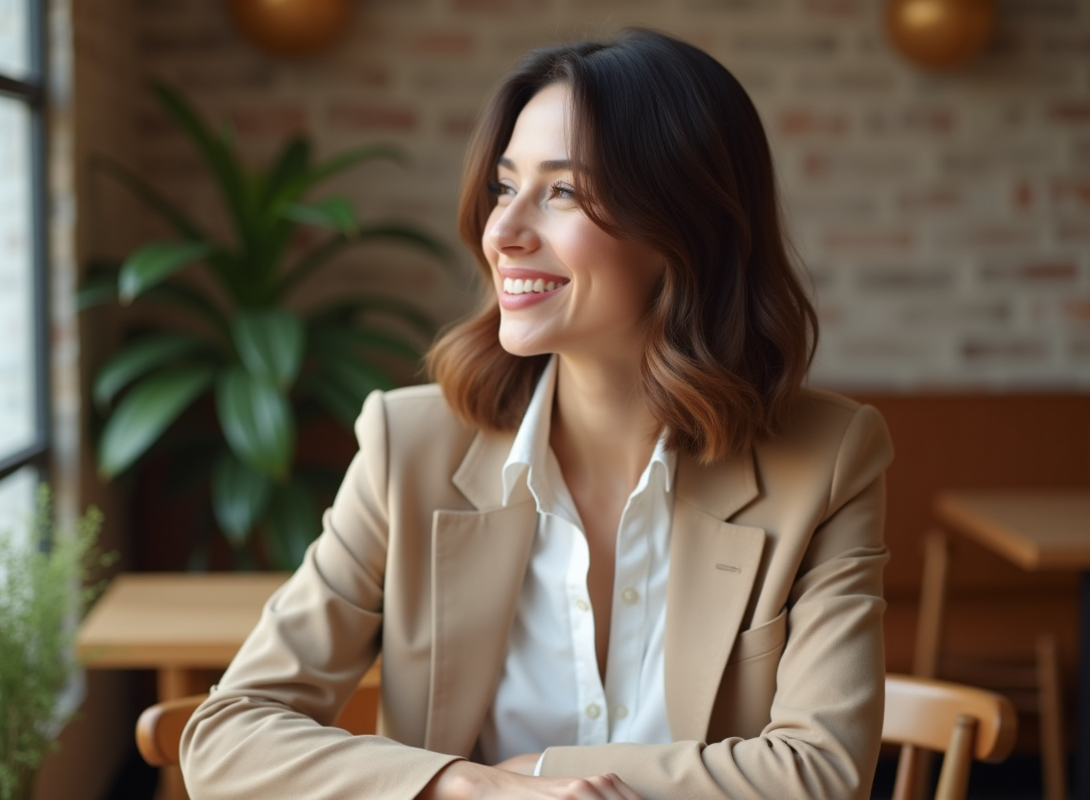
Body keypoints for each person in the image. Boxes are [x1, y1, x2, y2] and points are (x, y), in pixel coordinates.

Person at [181, 28, 892, 800]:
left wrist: (545, 773)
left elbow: (822, 775)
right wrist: (470, 788)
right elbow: (229, 733)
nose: (503, 233)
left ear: (685, 226)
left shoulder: (827, 460)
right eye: (502, 187)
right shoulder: (408, 447)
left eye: (563, 191)